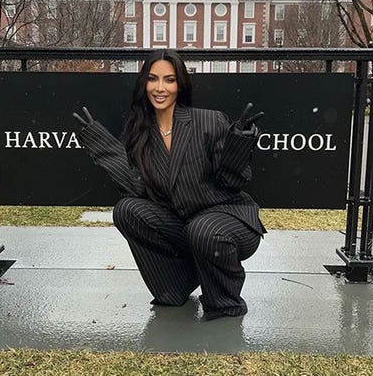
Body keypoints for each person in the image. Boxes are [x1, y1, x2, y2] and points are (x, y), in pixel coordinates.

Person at [73, 49, 265, 320]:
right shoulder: (140, 132)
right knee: (126, 210)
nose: (160, 87)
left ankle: (225, 303)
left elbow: (232, 182)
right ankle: (176, 285)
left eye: (169, 80)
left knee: (203, 229)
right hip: (183, 225)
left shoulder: (208, 121)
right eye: (153, 79)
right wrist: (101, 144)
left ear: (180, 85)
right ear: (144, 84)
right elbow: (137, 188)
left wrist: (239, 144)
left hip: (229, 221)